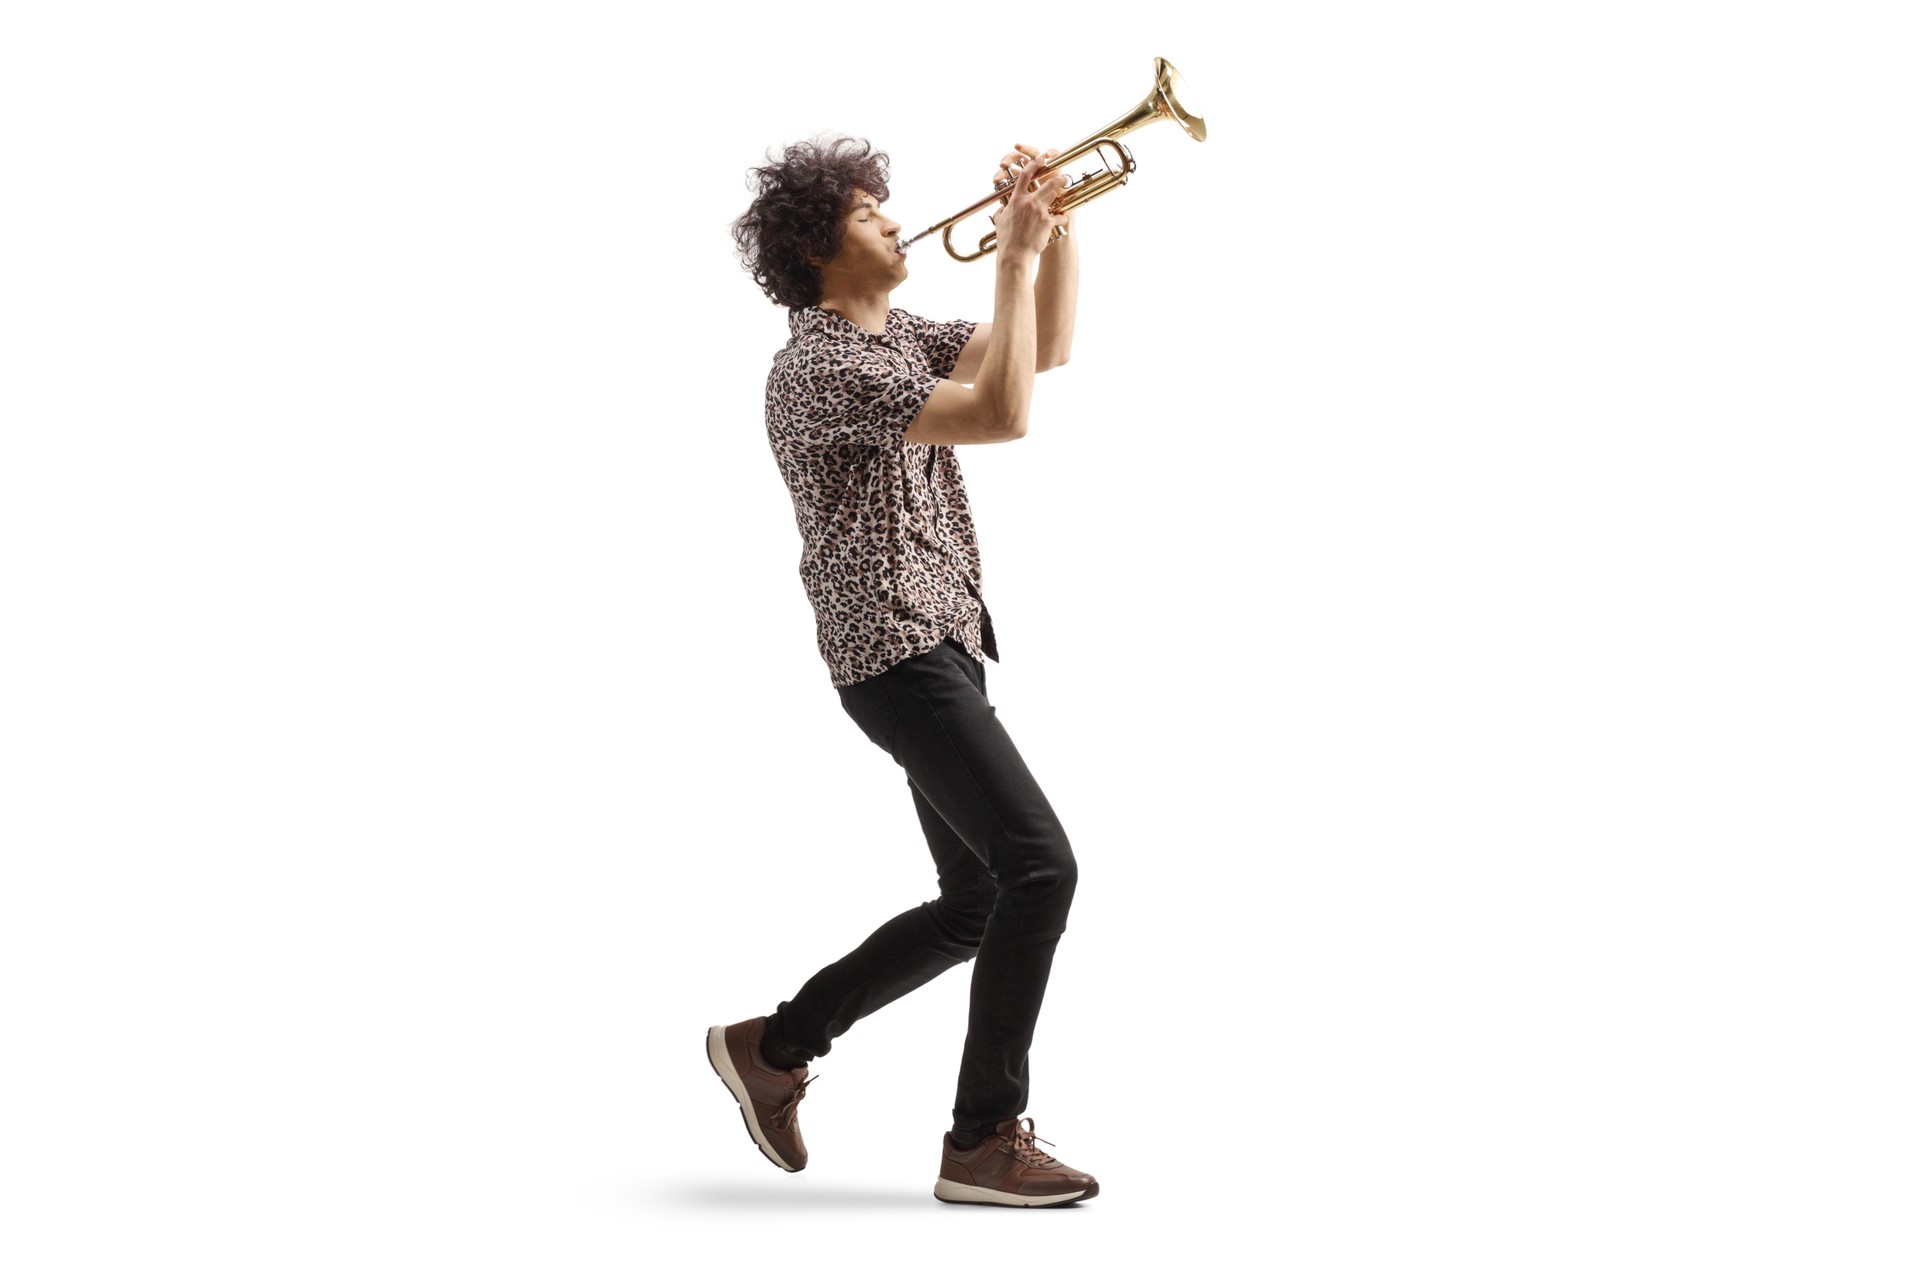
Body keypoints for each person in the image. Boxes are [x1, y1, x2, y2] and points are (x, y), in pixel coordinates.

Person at [706, 134, 1097, 1207]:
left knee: (977, 897)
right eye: (870, 214)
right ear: (816, 249)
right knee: (1042, 867)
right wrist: (1011, 259)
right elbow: (1004, 416)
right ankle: (982, 1139)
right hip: (894, 651)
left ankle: (776, 1048)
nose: (894, 221)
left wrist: (1054, 231)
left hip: (943, 640)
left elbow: (1044, 350)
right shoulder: (824, 365)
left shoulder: (899, 337)